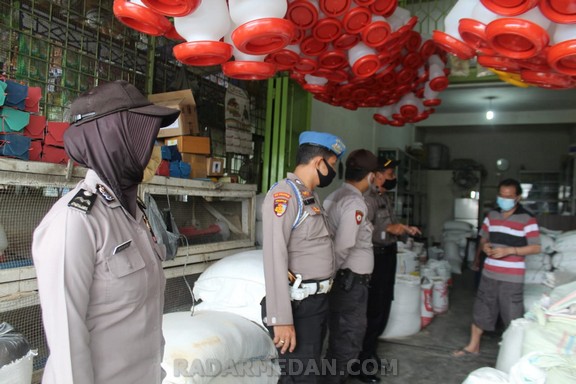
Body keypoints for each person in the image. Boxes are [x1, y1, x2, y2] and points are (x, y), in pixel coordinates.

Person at [32, 80, 180, 384]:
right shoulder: (75, 222)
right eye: (145, 137)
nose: (153, 150)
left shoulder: (133, 213)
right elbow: (68, 348)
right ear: (113, 138)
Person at [261, 131, 346, 383]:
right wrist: (281, 319)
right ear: (319, 163)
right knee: (303, 377)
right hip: (297, 306)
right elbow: (274, 256)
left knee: (299, 376)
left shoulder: (309, 196)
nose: (333, 172)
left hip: (316, 302)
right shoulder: (284, 195)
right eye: (332, 166)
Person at [453, 178, 541, 357]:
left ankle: (513, 354)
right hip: (490, 272)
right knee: (482, 308)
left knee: (512, 315)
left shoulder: (527, 219)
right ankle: (473, 345)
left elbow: (536, 247)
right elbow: (484, 237)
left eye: (508, 196)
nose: (504, 199)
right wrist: (484, 247)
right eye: (501, 195)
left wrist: (511, 250)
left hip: (512, 276)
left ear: (517, 197)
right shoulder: (492, 215)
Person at [356, 158, 421, 383]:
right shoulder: (367, 199)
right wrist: (388, 230)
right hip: (375, 258)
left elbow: (390, 225)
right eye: (391, 173)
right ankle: (361, 364)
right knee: (373, 311)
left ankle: (370, 354)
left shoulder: (385, 196)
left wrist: (402, 229)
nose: (394, 178)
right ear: (378, 174)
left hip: (388, 256)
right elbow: (364, 231)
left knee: (383, 307)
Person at [322, 149, 379, 384]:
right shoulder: (355, 202)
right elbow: (344, 245)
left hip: (343, 280)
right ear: (371, 176)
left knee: (338, 335)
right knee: (348, 338)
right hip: (350, 282)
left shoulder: (333, 196)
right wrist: (330, 276)